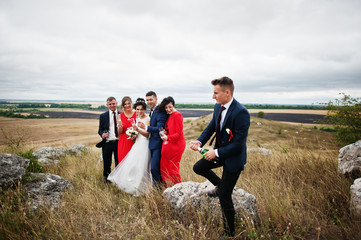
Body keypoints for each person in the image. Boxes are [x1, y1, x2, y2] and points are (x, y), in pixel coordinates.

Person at [189, 77, 250, 238]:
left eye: (216, 93)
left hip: (233, 157)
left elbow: (238, 145)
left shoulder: (241, 112)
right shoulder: (218, 107)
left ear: (227, 92)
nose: (213, 96)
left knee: (224, 196)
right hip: (221, 152)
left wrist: (215, 153)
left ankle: (229, 234)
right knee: (199, 167)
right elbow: (211, 127)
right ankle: (221, 186)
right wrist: (199, 140)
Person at [108, 98, 152, 196]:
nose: (139, 111)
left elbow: (146, 134)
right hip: (136, 143)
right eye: (138, 109)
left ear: (145, 109)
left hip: (144, 144)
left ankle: (142, 186)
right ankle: (131, 184)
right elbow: (127, 130)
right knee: (132, 164)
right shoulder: (137, 118)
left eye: (141, 109)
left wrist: (137, 130)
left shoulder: (147, 119)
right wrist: (132, 132)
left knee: (142, 165)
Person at [138, 91, 167, 186]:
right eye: (147, 100)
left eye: (151, 99)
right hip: (151, 143)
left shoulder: (160, 111)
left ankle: (157, 190)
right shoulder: (152, 111)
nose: (149, 102)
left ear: (156, 99)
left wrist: (146, 128)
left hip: (158, 144)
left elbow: (160, 128)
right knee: (152, 168)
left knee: (154, 168)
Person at [158, 96, 186, 187]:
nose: (168, 109)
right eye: (166, 108)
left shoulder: (177, 115)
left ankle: (179, 188)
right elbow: (171, 130)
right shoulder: (169, 116)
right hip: (170, 142)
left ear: (173, 105)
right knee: (163, 166)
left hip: (177, 144)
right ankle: (167, 187)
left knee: (172, 168)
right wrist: (165, 132)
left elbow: (178, 134)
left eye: (170, 107)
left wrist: (167, 137)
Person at [97, 96, 119, 183]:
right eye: (110, 104)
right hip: (107, 143)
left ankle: (118, 179)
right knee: (107, 162)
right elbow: (100, 129)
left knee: (118, 162)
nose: (112, 105)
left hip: (119, 142)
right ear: (107, 105)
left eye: (113, 103)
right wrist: (102, 134)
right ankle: (107, 180)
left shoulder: (122, 114)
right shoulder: (103, 116)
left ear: (116, 103)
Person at [117, 96, 136, 163]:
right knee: (123, 161)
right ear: (123, 105)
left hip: (134, 141)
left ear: (131, 103)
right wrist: (119, 126)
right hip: (124, 142)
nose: (127, 105)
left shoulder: (136, 114)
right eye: (125, 104)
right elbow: (120, 131)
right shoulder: (120, 115)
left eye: (129, 103)